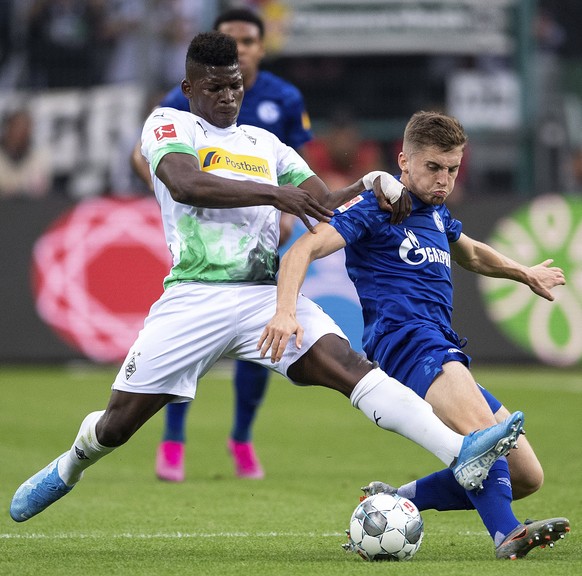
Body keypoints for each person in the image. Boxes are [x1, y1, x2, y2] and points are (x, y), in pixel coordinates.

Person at [10, 33, 525, 524]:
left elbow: (322, 205)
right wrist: (274, 195)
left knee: (350, 366)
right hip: (195, 297)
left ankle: (460, 452)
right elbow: (185, 183)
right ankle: (70, 465)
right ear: (190, 88)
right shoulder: (169, 125)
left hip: (262, 293)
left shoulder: (267, 144)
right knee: (117, 425)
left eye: (235, 84)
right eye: (215, 86)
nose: (229, 95)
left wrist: (367, 184)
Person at [258, 110, 569, 560]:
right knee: (484, 438)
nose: (444, 180)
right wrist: (285, 312)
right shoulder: (375, 208)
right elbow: (303, 248)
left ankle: (398, 497)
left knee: (525, 475)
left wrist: (525, 272)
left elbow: (474, 255)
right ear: (403, 161)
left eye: (452, 169)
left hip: (439, 345)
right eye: (433, 168)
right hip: (407, 342)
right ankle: (506, 534)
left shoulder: (437, 213)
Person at [130, 8, 314, 482]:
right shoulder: (181, 100)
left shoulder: (284, 100)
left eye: (249, 41)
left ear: (259, 48)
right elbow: (147, 155)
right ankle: (173, 440)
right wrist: (167, 197)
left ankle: (242, 438)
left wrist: (290, 212)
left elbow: (299, 170)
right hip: (205, 235)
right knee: (184, 345)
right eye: (232, 40)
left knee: (264, 340)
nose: (242, 49)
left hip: (262, 236)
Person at [0, 109, 53, 199]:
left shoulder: (39, 156)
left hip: (29, 209)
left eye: (26, 128)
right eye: (17, 126)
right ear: (8, 127)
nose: (21, 132)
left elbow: (39, 187)